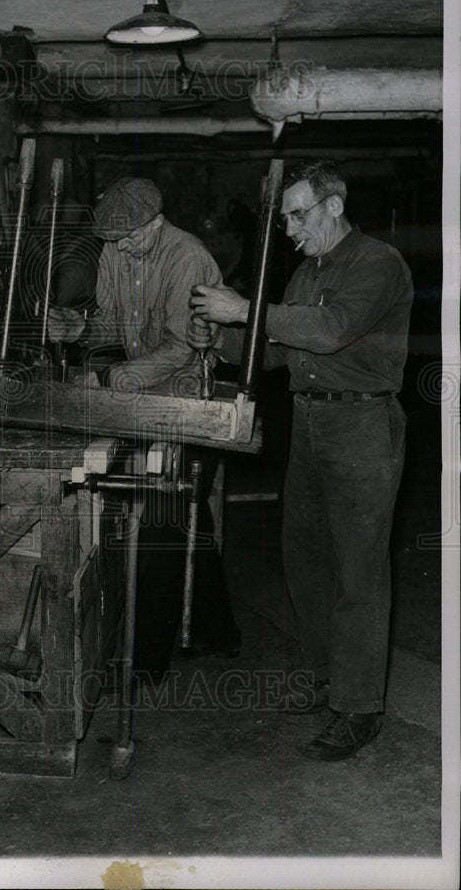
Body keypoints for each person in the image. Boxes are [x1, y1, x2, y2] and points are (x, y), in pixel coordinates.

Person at [188, 159, 413, 760]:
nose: (289, 228)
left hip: (363, 425)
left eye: (299, 214)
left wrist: (245, 311)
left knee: (359, 571)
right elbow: (277, 351)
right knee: (305, 558)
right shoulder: (307, 272)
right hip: (311, 424)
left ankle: (359, 709)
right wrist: (223, 338)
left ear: (334, 206)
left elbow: (333, 330)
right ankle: (328, 680)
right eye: (285, 216)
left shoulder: (377, 264)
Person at [48, 176, 241, 674]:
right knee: (184, 514)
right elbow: (111, 321)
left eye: (131, 236)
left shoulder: (186, 256)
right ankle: (217, 630)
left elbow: (182, 346)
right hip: (145, 395)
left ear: (157, 221)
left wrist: (123, 375)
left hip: (188, 394)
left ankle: (145, 660)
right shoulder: (116, 249)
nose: (122, 246)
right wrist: (81, 329)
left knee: (163, 514)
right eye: (113, 240)